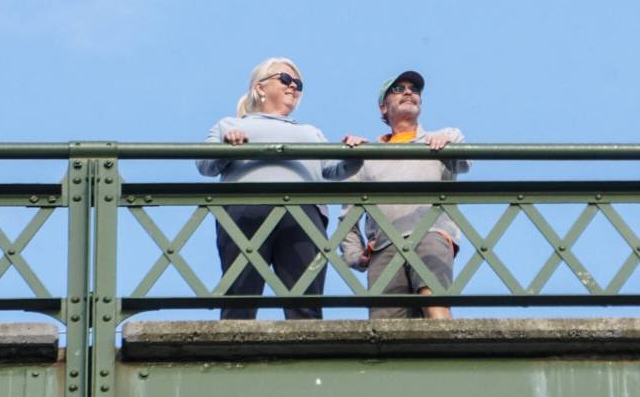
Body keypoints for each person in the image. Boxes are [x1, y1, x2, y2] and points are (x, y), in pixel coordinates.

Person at [197, 57, 365, 320]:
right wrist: (226, 148)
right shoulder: (230, 125)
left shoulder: (311, 132)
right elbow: (205, 165)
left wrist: (355, 154)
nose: (293, 87)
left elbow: (334, 169)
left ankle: (307, 355)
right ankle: (232, 353)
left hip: (303, 215)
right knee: (240, 297)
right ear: (260, 87)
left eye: (298, 84)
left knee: (305, 303)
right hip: (245, 211)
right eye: (285, 79)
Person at [340, 70, 471, 319]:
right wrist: (355, 256)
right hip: (384, 247)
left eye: (414, 89)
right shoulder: (367, 154)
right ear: (383, 107)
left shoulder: (441, 139)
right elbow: (348, 214)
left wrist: (448, 143)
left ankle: (449, 355)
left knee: (433, 301)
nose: (408, 92)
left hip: (431, 235)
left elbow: (464, 162)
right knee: (385, 330)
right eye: (398, 89)